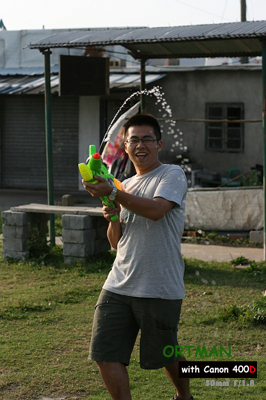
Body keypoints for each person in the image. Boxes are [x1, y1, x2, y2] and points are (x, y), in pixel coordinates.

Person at [82, 113, 193, 400]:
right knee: (104, 353)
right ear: (126, 147)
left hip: (158, 284)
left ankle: (184, 396)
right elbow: (116, 243)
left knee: (166, 353)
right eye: (134, 140)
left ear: (159, 144)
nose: (140, 145)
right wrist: (113, 216)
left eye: (147, 139)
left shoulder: (171, 174)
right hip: (118, 283)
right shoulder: (124, 185)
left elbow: (156, 211)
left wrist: (114, 195)